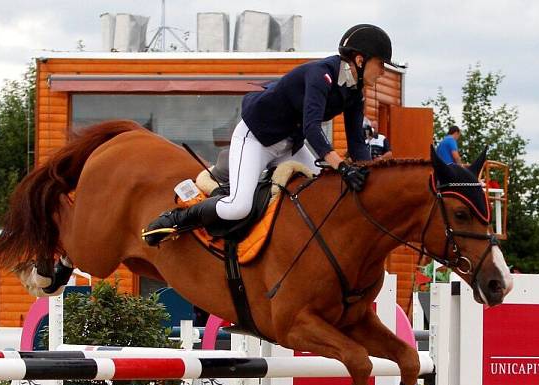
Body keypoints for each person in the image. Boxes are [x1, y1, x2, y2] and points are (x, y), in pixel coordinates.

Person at [143, 24, 397, 246]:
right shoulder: (321, 75)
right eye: (381, 64)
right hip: (256, 139)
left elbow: (357, 144)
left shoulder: (355, 91)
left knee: (324, 194)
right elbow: (312, 127)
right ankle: (178, 218)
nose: (383, 72)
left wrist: (371, 177)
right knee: (239, 206)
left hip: (290, 145)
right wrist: (342, 167)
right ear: (360, 60)